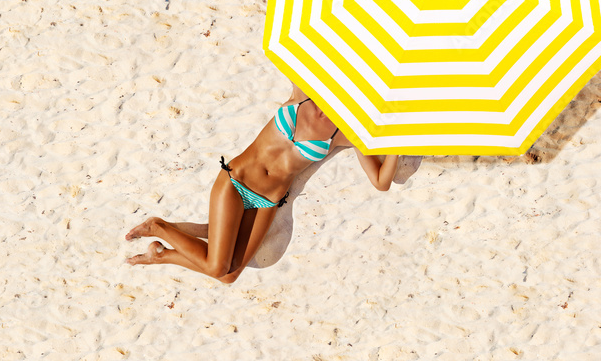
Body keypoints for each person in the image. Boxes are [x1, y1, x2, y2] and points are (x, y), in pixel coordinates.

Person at [125, 83, 400, 284]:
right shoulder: (304, 94)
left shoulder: (347, 133)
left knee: (229, 276)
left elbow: (380, 182)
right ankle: (157, 226)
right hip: (236, 181)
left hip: (267, 202)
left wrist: (396, 148)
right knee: (218, 266)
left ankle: (161, 255)